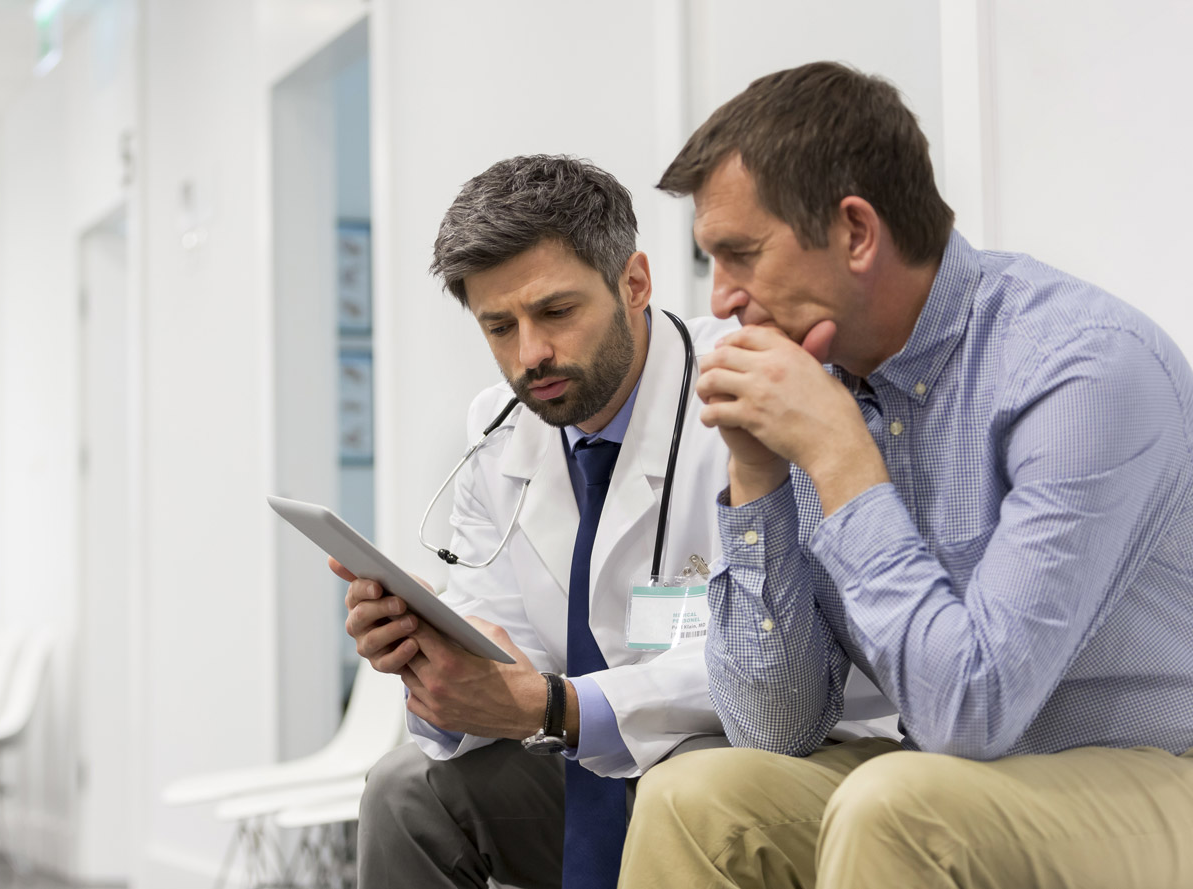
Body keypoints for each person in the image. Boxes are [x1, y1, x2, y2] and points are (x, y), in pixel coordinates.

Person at [617, 60, 1193, 889]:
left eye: (739, 255)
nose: (721, 301)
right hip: (958, 773)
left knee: (898, 805)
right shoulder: (822, 382)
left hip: (1150, 773)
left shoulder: (1080, 368)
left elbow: (973, 710)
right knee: (692, 796)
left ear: (855, 232)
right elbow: (773, 727)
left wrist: (843, 460)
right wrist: (757, 475)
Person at [334, 155, 730, 889]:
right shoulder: (498, 428)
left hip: (728, 760)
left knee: (688, 787)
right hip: (583, 764)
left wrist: (558, 703)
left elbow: (770, 663)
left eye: (555, 312)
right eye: (498, 326)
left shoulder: (735, 390)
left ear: (634, 282)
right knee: (404, 793)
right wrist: (438, 662)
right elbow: (497, 632)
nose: (530, 355)